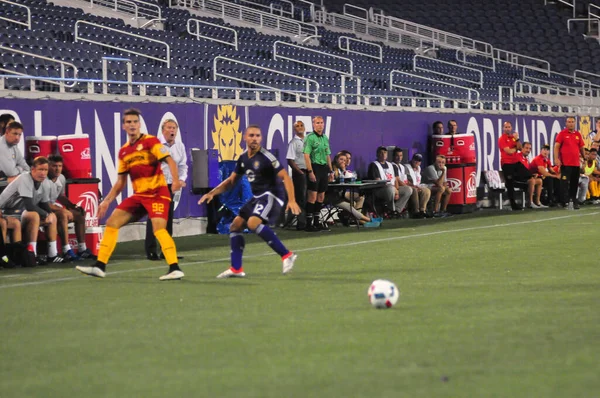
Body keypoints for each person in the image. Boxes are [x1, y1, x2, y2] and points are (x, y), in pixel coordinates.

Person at [75, 108, 184, 280]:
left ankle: (174, 267)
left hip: (157, 193)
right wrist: (107, 201)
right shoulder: (124, 151)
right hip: (139, 196)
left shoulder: (151, 142)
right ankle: (100, 265)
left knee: (158, 229)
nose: (132, 125)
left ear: (139, 125)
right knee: (112, 222)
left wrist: (176, 181)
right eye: (128, 122)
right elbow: (120, 182)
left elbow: (169, 160)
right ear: (123, 126)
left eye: (135, 122)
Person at [198, 124, 301, 278]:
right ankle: (236, 268)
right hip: (257, 197)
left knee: (253, 223)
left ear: (261, 138)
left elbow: (285, 176)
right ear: (244, 137)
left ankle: (287, 255)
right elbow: (231, 181)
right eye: (251, 135)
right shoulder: (244, 158)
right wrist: (212, 193)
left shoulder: (267, 157)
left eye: (257, 136)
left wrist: (292, 200)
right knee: (235, 225)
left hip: (271, 195)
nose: (254, 139)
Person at [0, 156, 63, 264]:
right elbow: (29, 205)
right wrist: (45, 214)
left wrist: (49, 213)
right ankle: (31, 254)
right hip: (5, 211)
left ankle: (52, 254)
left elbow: (44, 203)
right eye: (40, 169)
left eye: (45, 170)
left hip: (19, 213)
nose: (43, 173)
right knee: (34, 215)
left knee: (52, 216)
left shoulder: (45, 182)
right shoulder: (24, 178)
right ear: (32, 169)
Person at [145, 119, 187, 261]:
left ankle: (166, 250)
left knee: (168, 218)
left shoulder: (179, 146)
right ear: (163, 130)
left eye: (174, 128)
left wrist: (181, 179)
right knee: (154, 217)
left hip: (171, 186)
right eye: (169, 127)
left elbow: (183, 165)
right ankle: (151, 250)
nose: (172, 130)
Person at [47, 155, 94, 260]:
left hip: (53, 207)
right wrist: (62, 209)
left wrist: (73, 206)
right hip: (43, 208)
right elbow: (43, 203)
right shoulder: (43, 179)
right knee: (63, 214)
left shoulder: (62, 178)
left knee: (80, 214)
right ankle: (66, 250)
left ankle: (82, 249)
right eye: (54, 166)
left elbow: (60, 196)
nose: (57, 168)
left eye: (60, 166)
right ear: (48, 166)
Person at [331, 152, 379, 227]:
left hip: (341, 193)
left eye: (345, 160)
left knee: (361, 197)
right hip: (333, 196)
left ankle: (354, 219)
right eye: (341, 159)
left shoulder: (342, 170)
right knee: (350, 206)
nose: (343, 162)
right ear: (336, 160)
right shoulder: (332, 169)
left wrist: (344, 170)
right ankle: (367, 221)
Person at [303, 116, 333, 232]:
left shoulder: (325, 138)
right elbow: (306, 155)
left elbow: (327, 155)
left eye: (321, 123)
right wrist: (310, 171)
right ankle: (308, 223)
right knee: (312, 196)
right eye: (317, 123)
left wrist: (330, 170)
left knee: (321, 196)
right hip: (314, 167)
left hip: (323, 168)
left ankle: (317, 221)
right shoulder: (309, 138)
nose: (320, 125)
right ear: (313, 124)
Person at [367, 146, 412, 216]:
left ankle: (397, 210)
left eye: (385, 152)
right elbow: (378, 182)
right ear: (377, 154)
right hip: (379, 190)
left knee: (408, 189)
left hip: (392, 188)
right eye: (381, 153)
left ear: (387, 154)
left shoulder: (390, 165)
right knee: (390, 189)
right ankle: (391, 209)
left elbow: (395, 179)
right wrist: (394, 190)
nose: (383, 154)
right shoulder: (374, 165)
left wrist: (396, 190)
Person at [554, 116, 586, 209]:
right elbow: (556, 146)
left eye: (572, 122)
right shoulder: (562, 134)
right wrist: (556, 159)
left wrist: (584, 157)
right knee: (564, 182)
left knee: (574, 183)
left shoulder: (577, 134)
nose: (571, 123)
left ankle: (573, 200)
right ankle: (564, 201)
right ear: (566, 123)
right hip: (565, 163)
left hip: (575, 164)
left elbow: (581, 147)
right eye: (569, 122)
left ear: (575, 123)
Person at [284, 120, 307, 230]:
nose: (300, 127)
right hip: (300, 173)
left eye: (301, 125)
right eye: (297, 126)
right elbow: (290, 160)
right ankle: (301, 222)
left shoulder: (308, 141)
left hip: (310, 171)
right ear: (294, 129)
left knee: (309, 196)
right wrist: (300, 172)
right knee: (301, 197)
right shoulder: (294, 142)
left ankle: (309, 220)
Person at [498, 121, 524, 210]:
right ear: (503, 128)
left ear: (511, 128)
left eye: (509, 127)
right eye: (506, 127)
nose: (507, 129)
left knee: (528, 175)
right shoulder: (502, 139)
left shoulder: (513, 138)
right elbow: (508, 151)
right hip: (507, 164)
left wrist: (517, 140)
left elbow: (521, 148)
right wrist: (515, 149)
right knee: (510, 185)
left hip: (516, 162)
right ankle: (513, 204)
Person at [404, 153, 432, 218]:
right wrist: (414, 186)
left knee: (427, 191)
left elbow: (417, 181)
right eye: (415, 160)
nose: (417, 162)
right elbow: (406, 180)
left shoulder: (418, 168)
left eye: (419, 161)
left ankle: (422, 210)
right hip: (409, 186)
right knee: (415, 190)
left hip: (416, 186)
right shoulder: (407, 167)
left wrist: (418, 186)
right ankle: (416, 212)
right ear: (412, 159)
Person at [518, 142, 544, 209]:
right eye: (526, 148)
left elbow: (527, 170)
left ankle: (537, 202)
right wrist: (530, 175)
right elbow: (520, 170)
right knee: (532, 181)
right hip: (518, 179)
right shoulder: (518, 157)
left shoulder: (526, 159)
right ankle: (530, 202)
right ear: (522, 148)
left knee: (539, 181)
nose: (528, 150)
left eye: (529, 149)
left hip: (526, 178)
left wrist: (533, 174)